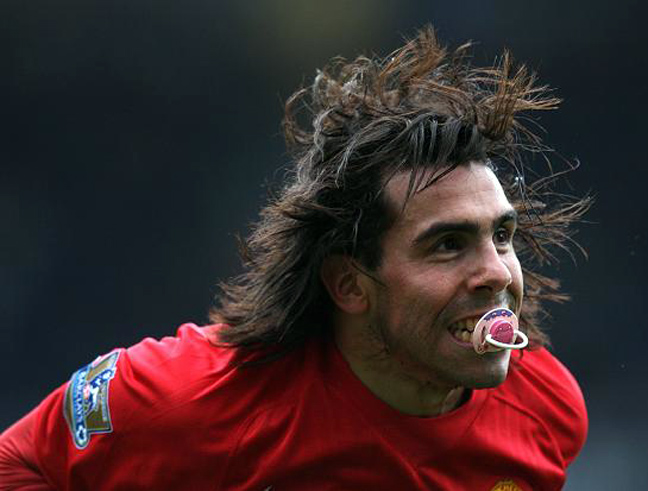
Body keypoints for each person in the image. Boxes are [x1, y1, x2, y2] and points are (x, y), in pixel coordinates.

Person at [0, 27, 590, 490]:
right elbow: (19, 462)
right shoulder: (188, 401)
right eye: (448, 244)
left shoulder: (547, 411)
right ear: (349, 284)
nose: (496, 272)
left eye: (502, 235)